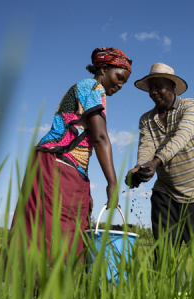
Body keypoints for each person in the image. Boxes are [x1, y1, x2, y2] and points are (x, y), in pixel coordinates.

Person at [12, 47, 132, 261]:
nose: (121, 84)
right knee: (61, 233)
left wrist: (84, 186)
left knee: (56, 228)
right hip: (58, 163)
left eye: (124, 81)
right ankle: (51, 289)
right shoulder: (92, 86)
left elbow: (83, 143)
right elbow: (100, 138)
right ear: (103, 69)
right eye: (120, 77)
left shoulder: (87, 89)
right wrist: (112, 183)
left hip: (59, 163)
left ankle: (39, 289)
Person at [126, 63, 194, 265]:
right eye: (151, 88)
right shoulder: (146, 119)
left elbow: (180, 138)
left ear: (173, 87)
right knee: (164, 258)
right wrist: (141, 169)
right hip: (165, 193)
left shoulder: (191, 106)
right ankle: (165, 296)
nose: (154, 92)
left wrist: (156, 162)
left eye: (159, 86)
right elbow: (146, 148)